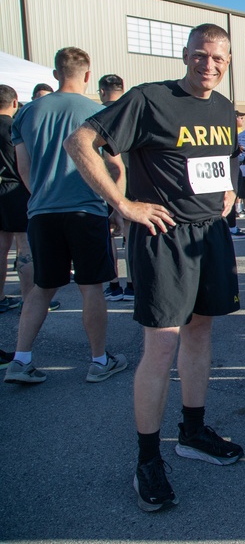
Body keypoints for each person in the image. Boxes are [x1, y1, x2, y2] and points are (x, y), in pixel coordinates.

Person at [66, 24, 244, 512]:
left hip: (209, 237)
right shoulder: (149, 99)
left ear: (228, 61)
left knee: (201, 332)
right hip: (162, 238)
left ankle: (192, 431)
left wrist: (228, 192)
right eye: (201, 56)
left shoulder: (224, 108)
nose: (210, 65)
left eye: (219, 58)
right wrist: (123, 203)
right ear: (185, 55)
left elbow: (219, 161)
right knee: (162, 346)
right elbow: (81, 142)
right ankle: (148, 459)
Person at [5, 47, 127, 387]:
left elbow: (23, 167)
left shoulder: (27, 112)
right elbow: (116, 168)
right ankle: (99, 360)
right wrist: (116, 205)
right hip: (86, 210)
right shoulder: (98, 112)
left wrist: (42, 196)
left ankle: (21, 359)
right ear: (88, 76)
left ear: (57, 73)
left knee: (42, 287)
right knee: (92, 289)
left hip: (42, 212)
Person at [98, 74, 134, 302]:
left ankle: (113, 284)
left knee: (108, 234)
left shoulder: (98, 114)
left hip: (106, 183)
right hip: (133, 181)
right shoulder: (133, 112)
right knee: (130, 235)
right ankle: (132, 284)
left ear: (102, 91)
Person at [0, 85, 32, 315]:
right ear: (14, 103)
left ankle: (0, 297)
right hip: (17, 189)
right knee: (25, 246)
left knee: (1, 247)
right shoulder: (15, 127)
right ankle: (30, 302)